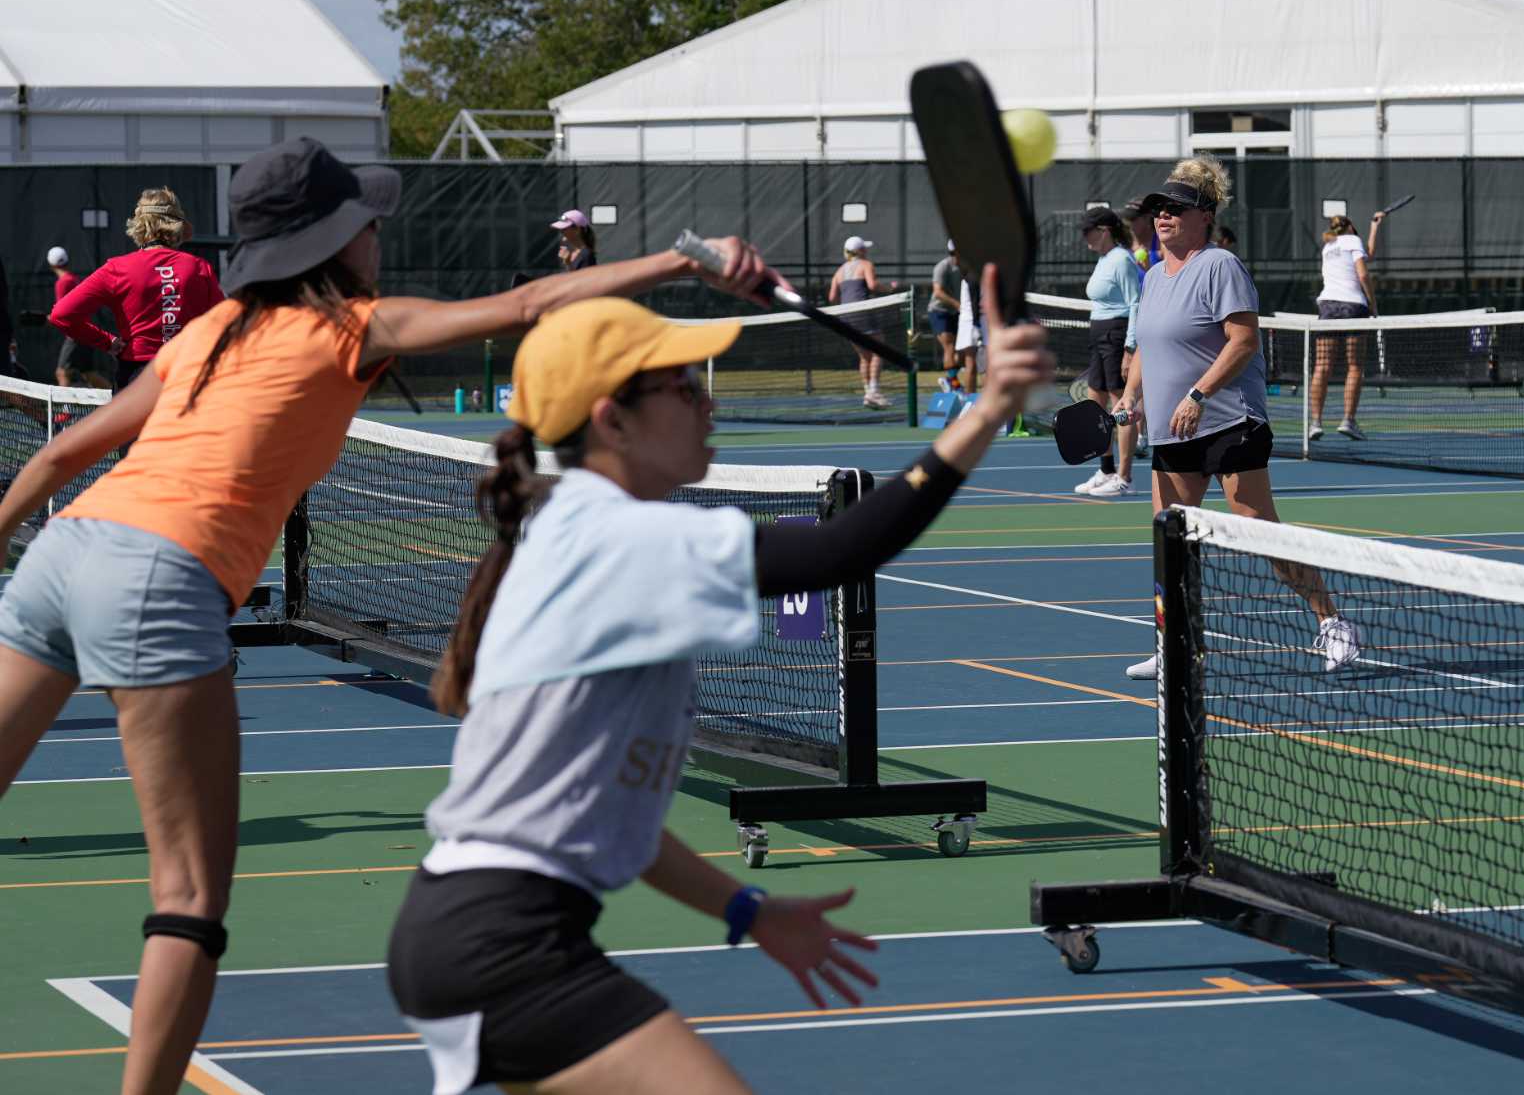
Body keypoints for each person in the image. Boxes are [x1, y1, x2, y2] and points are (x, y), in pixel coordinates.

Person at [0, 138, 772, 1095]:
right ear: (335, 241)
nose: (378, 232)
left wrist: (1, 532)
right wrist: (686, 259)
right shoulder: (353, 327)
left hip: (62, 553)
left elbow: (57, 456)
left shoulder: (212, 329)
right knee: (189, 904)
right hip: (157, 576)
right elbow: (532, 306)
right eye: (366, 220)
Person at [384, 270, 1051, 1094]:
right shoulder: (617, 538)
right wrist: (986, 410)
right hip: (504, 941)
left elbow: (609, 821)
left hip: (471, 932)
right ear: (612, 420)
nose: (706, 402)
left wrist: (749, 911)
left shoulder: (574, 535)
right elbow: (840, 553)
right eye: (680, 387)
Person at [1114, 156, 1358, 681]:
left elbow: (1243, 342)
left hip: (1228, 421)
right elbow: (1145, 351)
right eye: (1159, 209)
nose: (1164, 217)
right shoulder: (1154, 277)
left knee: (1256, 530)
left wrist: (1198, 395)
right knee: (1169, 540)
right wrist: (1129, 398)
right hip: (1169, 429)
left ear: (1204, 214)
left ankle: (1333, 622)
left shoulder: (1220, 265)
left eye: (1176, 209)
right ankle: (1172, 644)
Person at [48, 188, 224, 388]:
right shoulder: (199, 267)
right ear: (177, 227)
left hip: (136, 378)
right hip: (188, 376)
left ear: (139, 225)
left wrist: (107, 342)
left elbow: (61, 315)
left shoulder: (117, 268)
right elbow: (226, 321)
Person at [1074, 207, 1143, 497]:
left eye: (1088, 232)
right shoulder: (1104, 260)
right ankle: (1106, 469)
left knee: (1121, 405)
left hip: (1116, 336)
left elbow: (1136, 303)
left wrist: (1129, 349)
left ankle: (1124, 478)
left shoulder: (1122, 260)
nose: (1085, 238)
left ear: (1104, 230)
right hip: (1098, 335)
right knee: (1095, 404)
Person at [1307, 213, 1379, 441]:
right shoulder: (1353, 240)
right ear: (1349, 227)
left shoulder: (1328, 246)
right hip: (1353, 307)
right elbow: (1363, 273)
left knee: (1322, 366)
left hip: (1328, 307)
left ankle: (1315, 423)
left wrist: (1374, 226)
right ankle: (1348, 420)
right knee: (1355, 366)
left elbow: (1367, 253)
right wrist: (1373, 304)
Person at [827, 236, 898, 410]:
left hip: (846, 317)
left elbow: (832, 298)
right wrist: (890, 288)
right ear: (860, 251)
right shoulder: (866, 265)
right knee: (878, 352)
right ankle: (874, 392)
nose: (867, 251)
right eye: (864, 249)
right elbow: (873, 285)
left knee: (864, 357)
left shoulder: (839, 272)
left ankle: (868, 393)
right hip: (863, 313)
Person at [46, 247, 109, 390]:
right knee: (89, 374)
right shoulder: (74, 279)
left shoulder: (62, 282)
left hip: (76, 334)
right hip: (86, 330)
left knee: (62, 373)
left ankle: (65, 412)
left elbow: (63, 314)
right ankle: (118, 398)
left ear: (51, 265)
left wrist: (48, 319)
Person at [928, 241, 964, 389]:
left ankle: (949, 380)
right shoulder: (942, 267)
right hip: (939, 312)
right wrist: (957, 304)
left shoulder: (965, 268)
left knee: (959, 351)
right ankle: (954, 384)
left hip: (957, 313)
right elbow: (938, 292)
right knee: (949, 347)